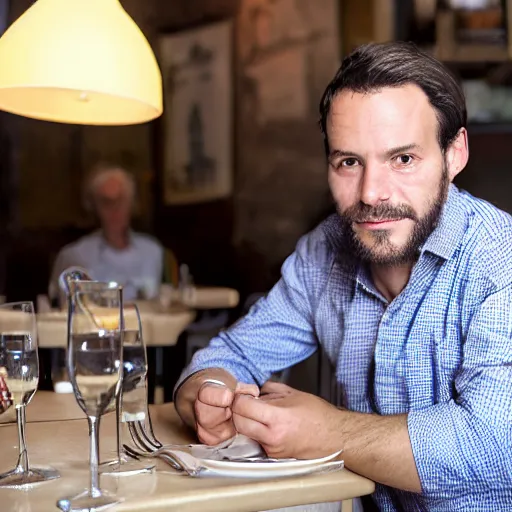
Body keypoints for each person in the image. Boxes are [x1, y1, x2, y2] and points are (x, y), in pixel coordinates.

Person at [174, 41, 512, 511]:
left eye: (403, 159)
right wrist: (209, 397)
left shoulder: (501, 260)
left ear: (454, 155)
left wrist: (326, 431)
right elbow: (227, 355)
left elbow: (495, 446)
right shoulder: (323, 251)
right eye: (349, 162)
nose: (372, 193)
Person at [49, 163, 163, 303]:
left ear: (131, 203)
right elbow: (65, 311)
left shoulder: (152, 251)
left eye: (120, 200)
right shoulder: (75, 256)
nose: (114, 209)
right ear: (94, 206)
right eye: (106, 202)